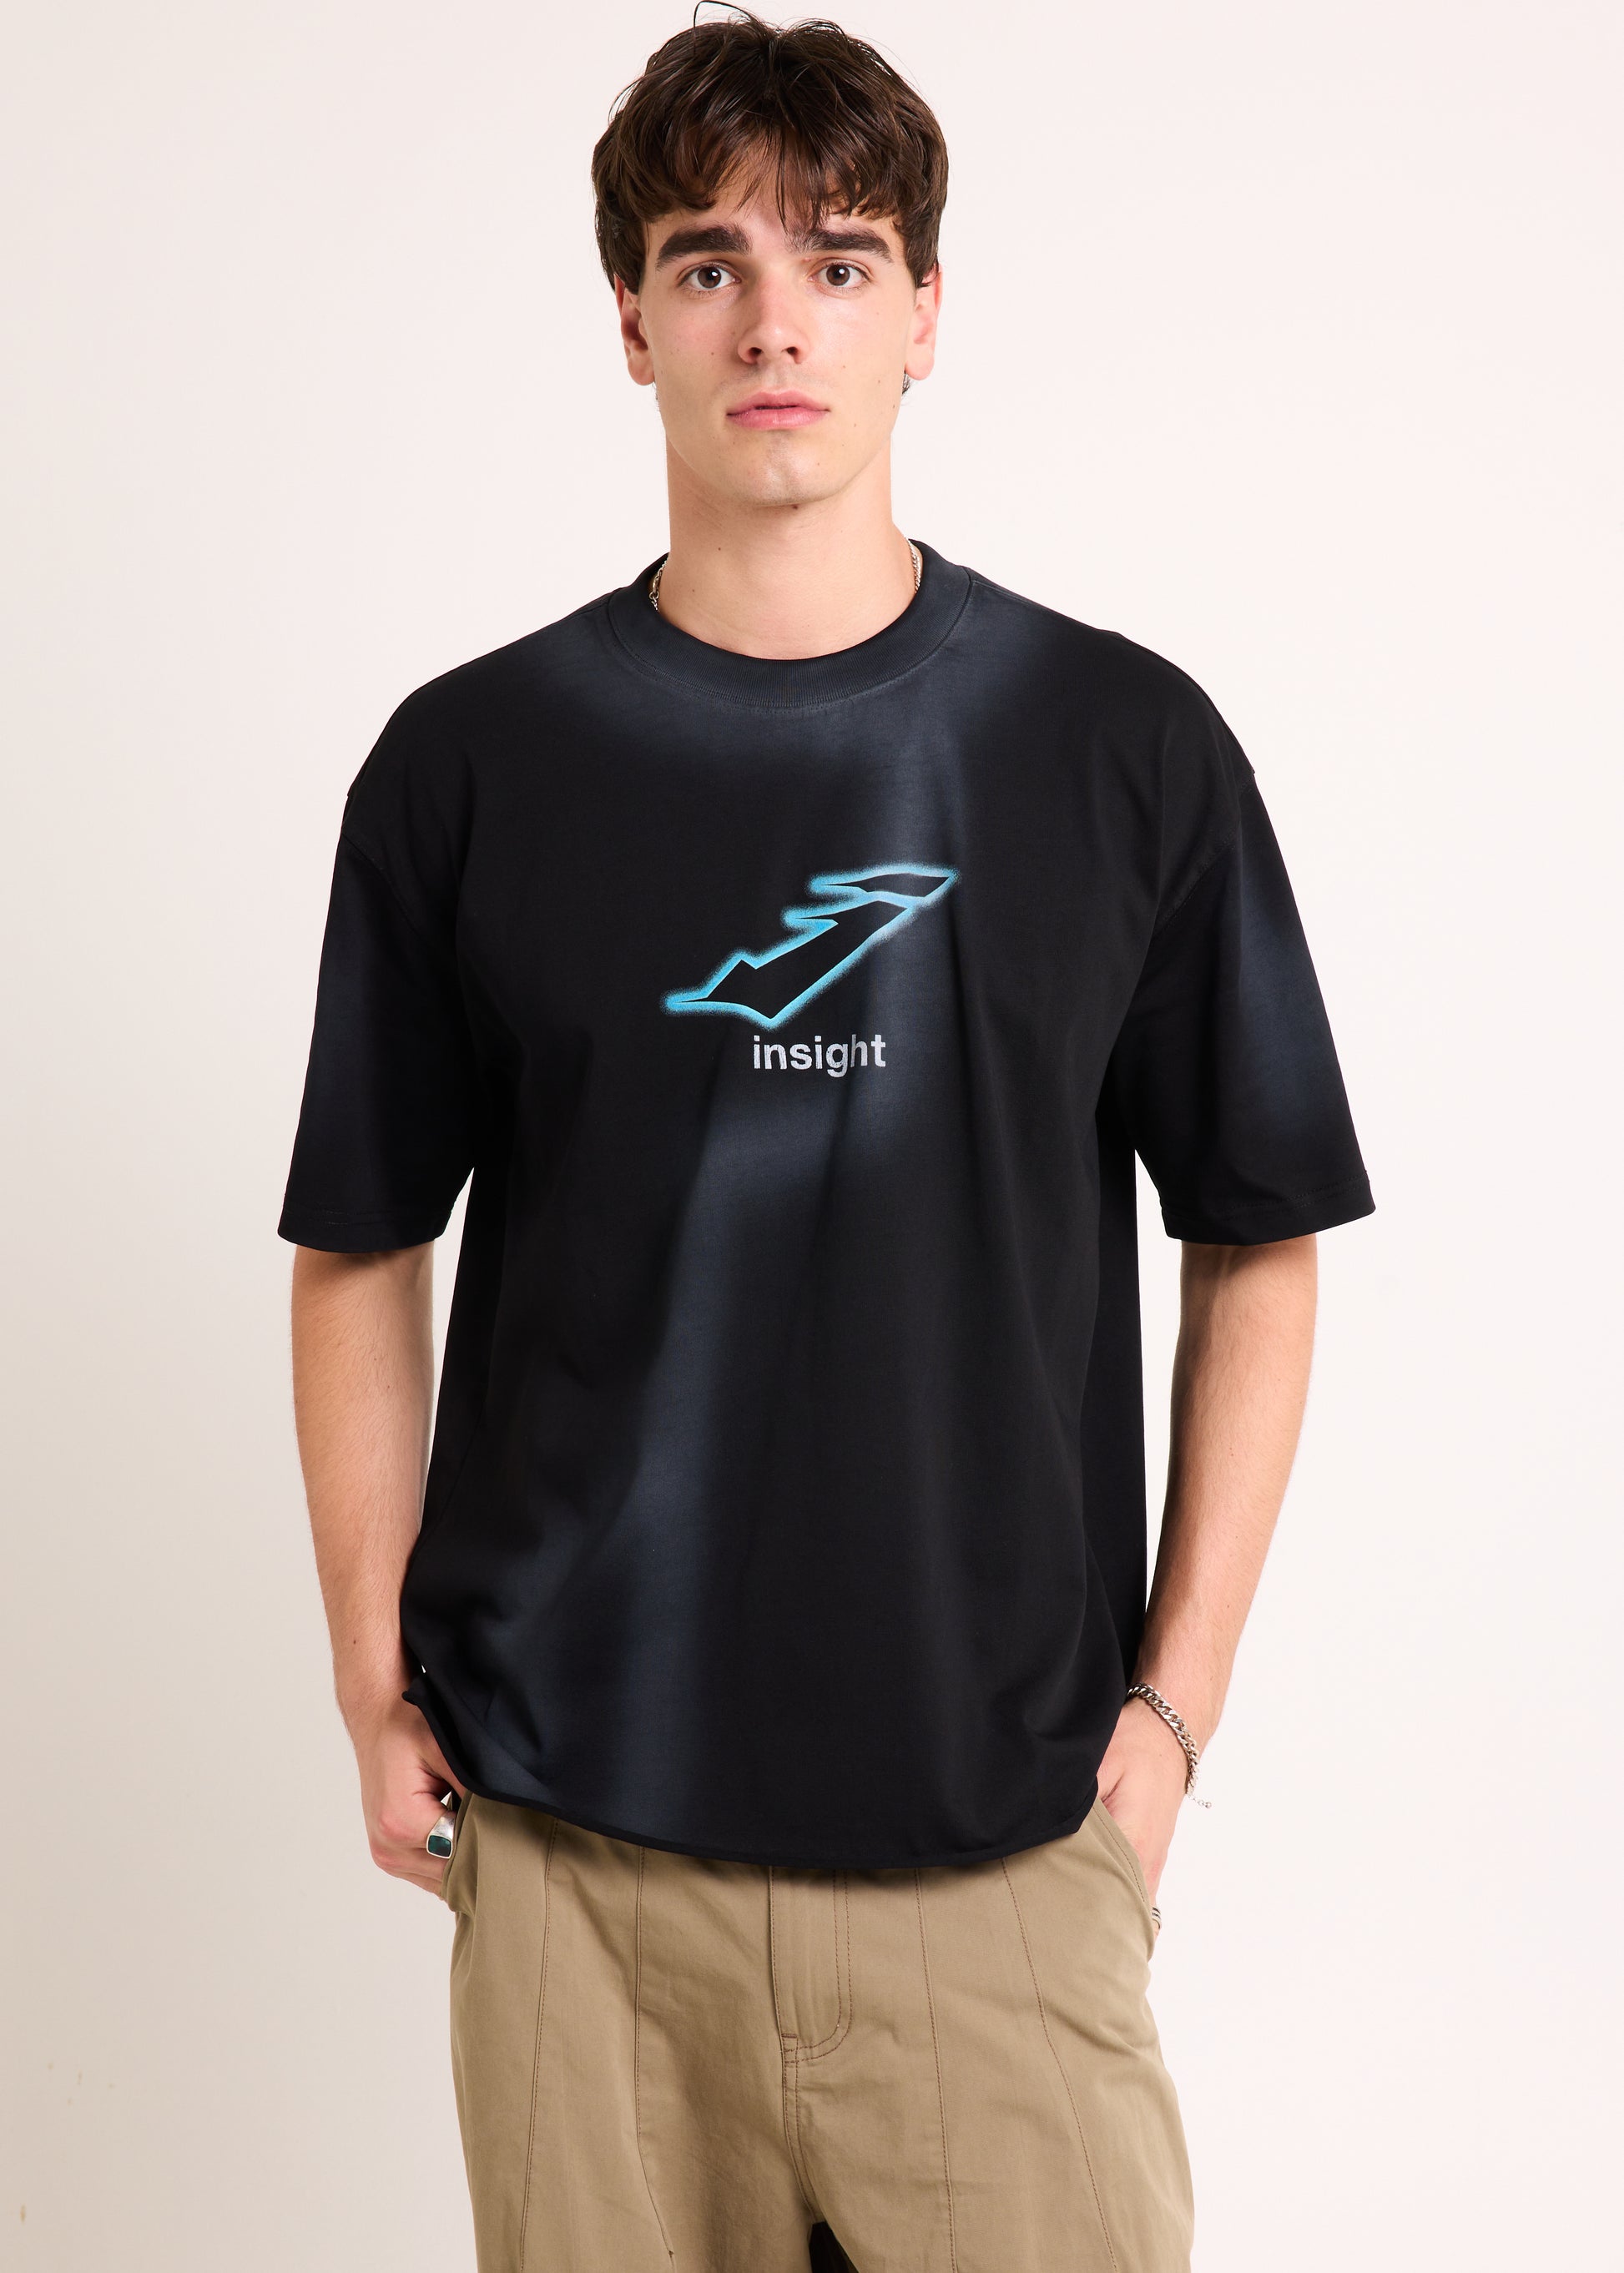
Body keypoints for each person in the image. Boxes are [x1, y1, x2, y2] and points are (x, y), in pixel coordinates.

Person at [280, 15, 1373, 2270]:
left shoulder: (1119, 746)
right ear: (631, 320)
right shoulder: (470, 768)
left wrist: (1169, 1720)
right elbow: (360, 1246)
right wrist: (372, 1682)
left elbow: (1257, 1232)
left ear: (925, 314)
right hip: (581, 1868)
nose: (774, 320)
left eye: (840, 261)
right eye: (710, 263)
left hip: (1003, 1859)